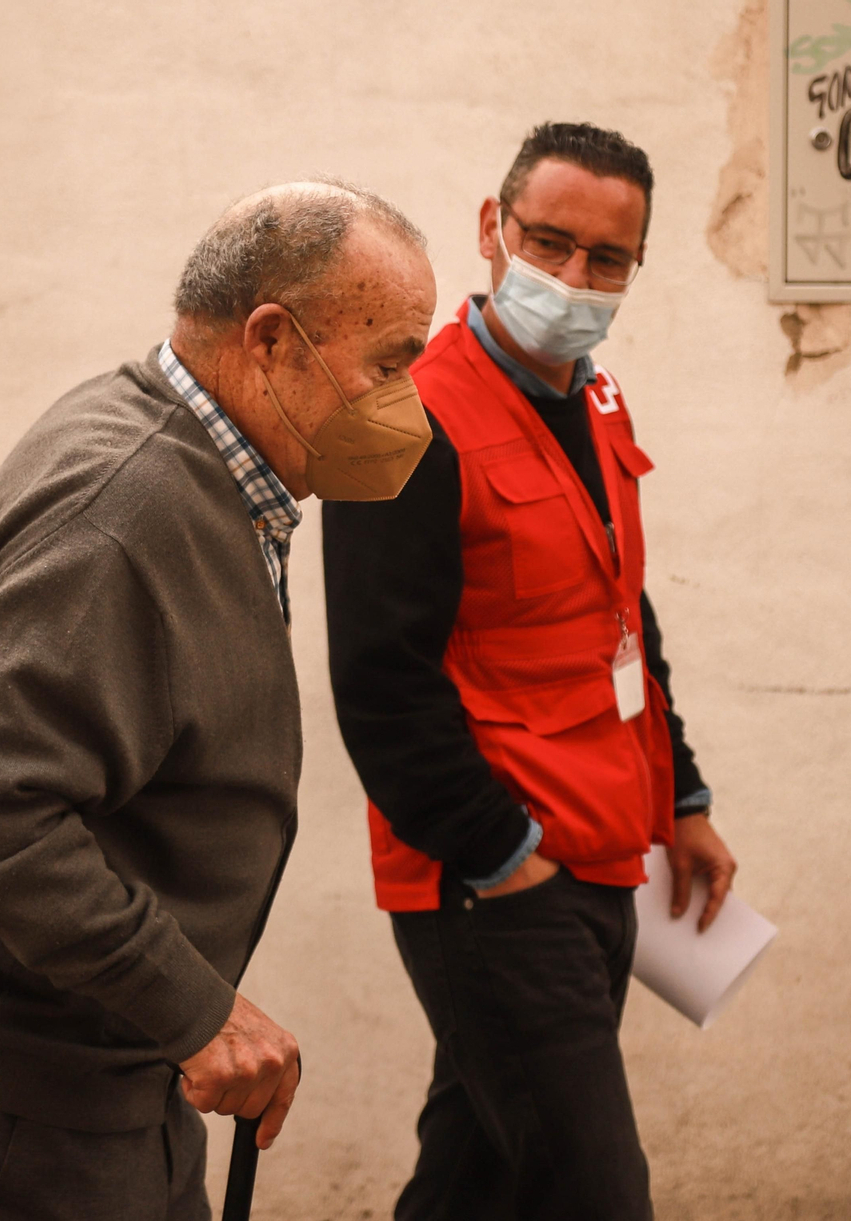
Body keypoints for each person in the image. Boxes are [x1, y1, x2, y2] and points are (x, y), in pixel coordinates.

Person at [0, 180, 436, 1221]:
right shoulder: (126, 506)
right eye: (389, 363)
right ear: (270, 340)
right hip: (14, 1097)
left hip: (98, 1073)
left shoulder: (181, 454)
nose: (406, 405)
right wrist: (196, 1009)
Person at [322, 122, 737, 1220]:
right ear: (489, 231)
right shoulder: (394, 419)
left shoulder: (594, 400)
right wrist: (499, 859)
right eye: (547, 242)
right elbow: (377, 679)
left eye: (607, 259)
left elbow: (617, 606)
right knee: (593, 1195)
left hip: (601, 853)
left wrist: (681, 795)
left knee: (476, 1181)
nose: (571, 278)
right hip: (494, 879)